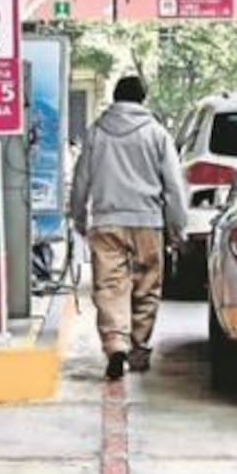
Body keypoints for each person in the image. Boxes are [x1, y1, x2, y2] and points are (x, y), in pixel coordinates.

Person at [71, 76, 188, 381]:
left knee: (109, 287)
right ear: (143, 98)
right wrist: (177, 227)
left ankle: (115, 345)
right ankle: (138, 347)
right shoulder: (157, 134)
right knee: (147, 287)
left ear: (115, 96)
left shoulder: (96, 132)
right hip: (148, 222)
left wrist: (79, 216)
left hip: (106, 221)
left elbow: (81, 177)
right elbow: (174, 187)